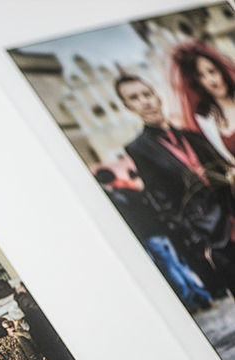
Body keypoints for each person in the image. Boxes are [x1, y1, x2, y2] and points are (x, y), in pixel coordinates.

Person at [117, 74, 235, 300]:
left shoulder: (190, 134)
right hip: (211, 235)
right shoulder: (138, 148)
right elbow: (163, 200)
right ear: (127, 106)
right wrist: (199, 242)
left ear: (157, 96)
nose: (145, 101)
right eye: (134, 98)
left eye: (147, 94)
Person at [95, 167, 212, 312]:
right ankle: (204, 297)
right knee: (179, 264)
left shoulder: (118, 194)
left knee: (171, 268)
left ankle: (192, 301)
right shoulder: (128, 187)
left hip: (149, 235)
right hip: (159, 230)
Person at [172, 41, 235, 163]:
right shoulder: (205, 119)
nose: (211, 80)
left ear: (221, 71)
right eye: (201, 76)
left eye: (212, 71)